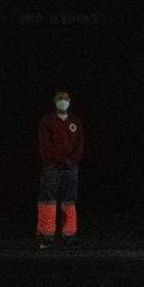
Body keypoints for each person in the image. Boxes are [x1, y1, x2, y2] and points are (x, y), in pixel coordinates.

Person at [37, 88, 86, 248]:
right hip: (52, 166)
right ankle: (46, 236)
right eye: (60, 98)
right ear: (55, 101)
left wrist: (72, 160)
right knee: (48, 198)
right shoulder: (47, 121)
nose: (63, 101)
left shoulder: (75, 122)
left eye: (65, 98)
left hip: (71, 167)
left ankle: (69, 235)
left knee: (69, 200)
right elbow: (46, 145)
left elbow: (79, 144)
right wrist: (59, 159)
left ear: (70, 101)